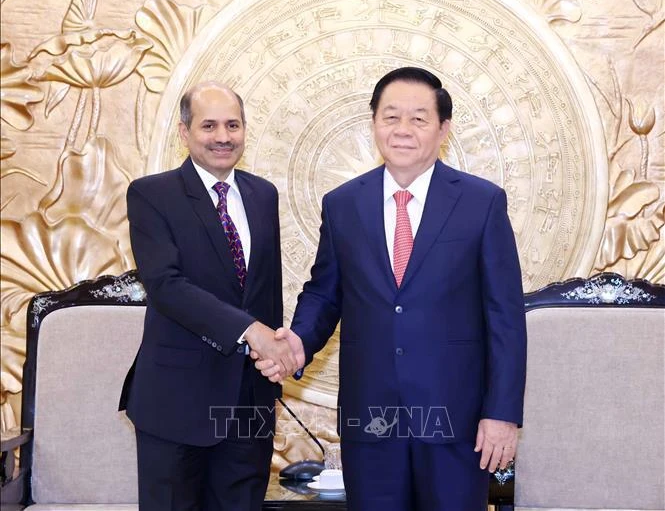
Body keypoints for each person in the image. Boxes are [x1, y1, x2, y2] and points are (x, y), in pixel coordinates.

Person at [256, 67, 527, 510]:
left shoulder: (482, 203)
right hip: (372, 418)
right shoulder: (343, 204)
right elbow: (325, 292)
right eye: (391, 117)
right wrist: (300, 342)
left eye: (419, 119)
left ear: (443, 129)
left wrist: (501, 414)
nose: (403, 130)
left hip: (454, 420)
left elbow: (505, 318)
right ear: (374, 123)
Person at [119, 81, 302, 511]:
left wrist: (273, 355)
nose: (223, 136)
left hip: (248, 400)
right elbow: (166, 286)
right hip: (176, 398)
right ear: (184, 132)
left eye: (233, 125)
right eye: (209, 125)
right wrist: (250, 331)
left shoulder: (262, 195)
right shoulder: (151, 194)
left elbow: (263, 291)